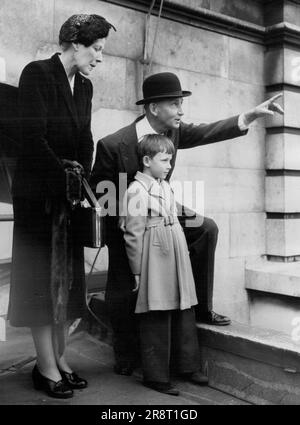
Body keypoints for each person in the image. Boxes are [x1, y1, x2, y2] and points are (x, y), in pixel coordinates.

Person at [90, 71, 283, 377]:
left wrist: (249, 116)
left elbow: (207, 131)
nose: (181, 111)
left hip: (164, 206)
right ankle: (125, 354)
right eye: (175, 104)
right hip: (130, 214)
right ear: (154, 108)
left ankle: (201, 307)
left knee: (205, 228)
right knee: (122, 282)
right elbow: (101, 195)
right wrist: (130, 229)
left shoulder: (174, 132)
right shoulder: (113, 144)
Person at [8, 14, 115, 399]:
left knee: (68, 282)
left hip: (67, 197)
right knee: (42, 284)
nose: (100, 58)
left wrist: (82, 183)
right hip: (39, 200)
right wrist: (65, 180)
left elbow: (84, 137)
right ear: (75, 43)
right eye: (97, 49)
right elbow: (31, 139)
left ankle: (59, 358)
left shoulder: (83, 87)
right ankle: (45, 366)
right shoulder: (37, 74)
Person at [122, 134, 208, 396]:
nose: (170, 165)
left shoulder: (164, 185)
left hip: (175, 247)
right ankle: (156, 375)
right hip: (155, 254)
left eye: (170, 159)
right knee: (157, 309)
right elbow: (133, 234)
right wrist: (137, 271)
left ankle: (187, 365)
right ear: (147, 161)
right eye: (165, 160)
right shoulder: (136, 190)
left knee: (184, 304)